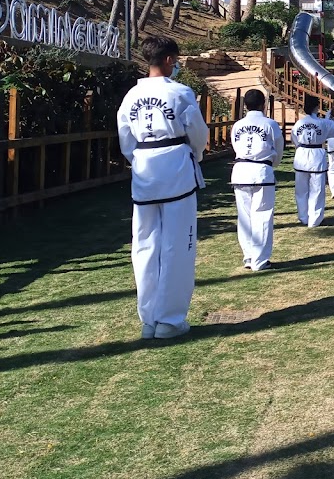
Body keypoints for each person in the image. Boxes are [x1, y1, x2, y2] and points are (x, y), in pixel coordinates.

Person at [117, 36, 208, 341]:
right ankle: (170, 319)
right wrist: (192, 157)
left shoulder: (130, 96)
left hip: (143, 173)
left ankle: (149, 319)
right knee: (178, 246)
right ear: (169, 60)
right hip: (176, 173)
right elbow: (198, 135)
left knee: (144, 246)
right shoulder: (180, 93)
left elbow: (126, 140)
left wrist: (141, 159)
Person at [230, 89, 284, 271]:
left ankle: (249, 256)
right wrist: (272, 164)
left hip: (240, 171)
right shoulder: (270, 124)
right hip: (261, 171)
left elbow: (235, 146)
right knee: (261, 215)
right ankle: (259, 260)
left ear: (245, 105)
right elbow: (278, 148)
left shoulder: (237, 125)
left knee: (244, 217)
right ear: (264, 104)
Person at [291, 95, 334, 227]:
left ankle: (303, 217)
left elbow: (294, 138)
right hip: (316, 155)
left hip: (301, 155)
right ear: (317, 107)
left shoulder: (299, 123)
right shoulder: (323, 123)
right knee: (317, 189)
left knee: (301, 189)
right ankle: (315, 219)